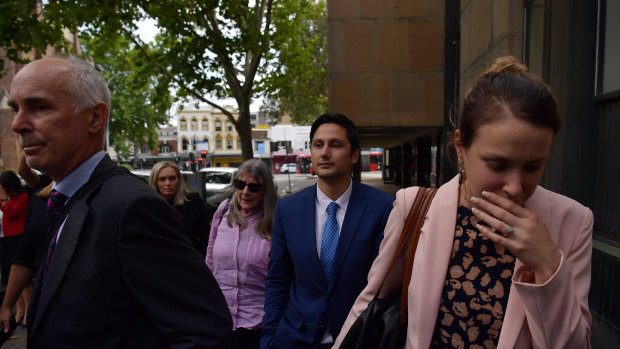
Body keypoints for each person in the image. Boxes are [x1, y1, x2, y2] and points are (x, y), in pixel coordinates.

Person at [334, 56, 593, 349]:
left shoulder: (572, 222)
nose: (515, 187)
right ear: (460, 147)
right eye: (497, 165)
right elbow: (372, 298)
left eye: (533, 166)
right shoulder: (414, 206)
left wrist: (547, 265)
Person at [4, 55, 232, 348]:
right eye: (15, 109)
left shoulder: (133, 209)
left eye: (39, 107)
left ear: (95, 117)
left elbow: (206, 332)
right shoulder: (61, 199)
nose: (17, 124)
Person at [261, 113, 395, 349]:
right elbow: (278, 280)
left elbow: (385, 286)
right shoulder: (287, 209)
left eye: (335, 145)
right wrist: (270, 338)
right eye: (318, 145)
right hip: (295, 338)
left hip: (357, 338)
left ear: (354, 155)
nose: (324, 152)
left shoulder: (382, 208)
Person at [206, 159, 278, 349]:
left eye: (254, 187)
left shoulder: (276, 221)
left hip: (258, 324)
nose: (245, 192)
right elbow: (210, 261)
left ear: (265, 190)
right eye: (240, 184)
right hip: (221, 320)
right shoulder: (223, 211)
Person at [0, 152, 52, 328]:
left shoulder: (25, 197)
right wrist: (7, 305)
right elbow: (24, 256)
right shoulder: (42, 189)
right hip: (41, 277)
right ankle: (24, 312)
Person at [149, 161, 210, 256]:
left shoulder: (193, 202)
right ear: (155, 182)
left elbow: (206, 237)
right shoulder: (148, 207)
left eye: (172, 178)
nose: (168, 183)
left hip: (191, 262)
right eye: (162, 179)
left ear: (179, 180)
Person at [0, 171, 30, 323]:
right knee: (12, 277)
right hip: (7, 239)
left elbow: (12, 213)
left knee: (23, 279)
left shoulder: (23, 198)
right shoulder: (7, 200)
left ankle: (28, 312)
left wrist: (3, 202)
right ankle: (20, 309)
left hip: (19, 237)